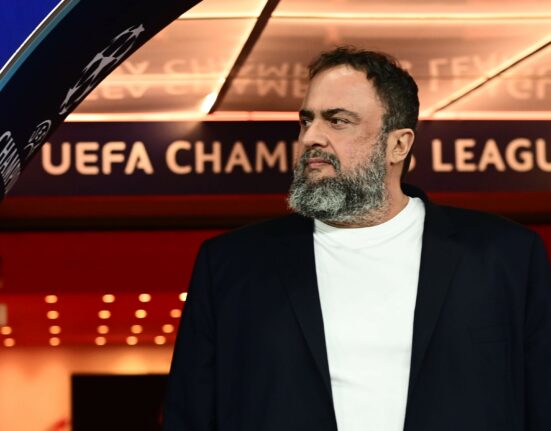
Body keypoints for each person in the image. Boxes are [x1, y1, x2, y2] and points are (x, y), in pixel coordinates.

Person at [162, 47, 551, 431]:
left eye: (337, 121)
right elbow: (190, 415)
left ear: (398, 145)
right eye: (307, 120)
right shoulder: (231, 264)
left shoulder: (505, 256)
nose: (311, 137)